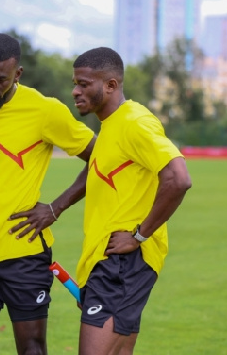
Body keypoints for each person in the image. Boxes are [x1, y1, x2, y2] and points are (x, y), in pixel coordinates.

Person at [0, 33, 96, 355]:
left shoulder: (45, 110)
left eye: (0, 79)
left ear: (17, 75)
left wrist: (56, 208)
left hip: (24, 255)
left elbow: (103, 158)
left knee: (32, 349)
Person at [70, 47, 192, 355]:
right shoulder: (110, 126)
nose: (75, 91)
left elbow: (178, 178)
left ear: (110, 85)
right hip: (109, 264)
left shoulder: (135, 122)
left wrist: (140, 235)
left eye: (85, 84)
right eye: (75, 83)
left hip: (123, 264)